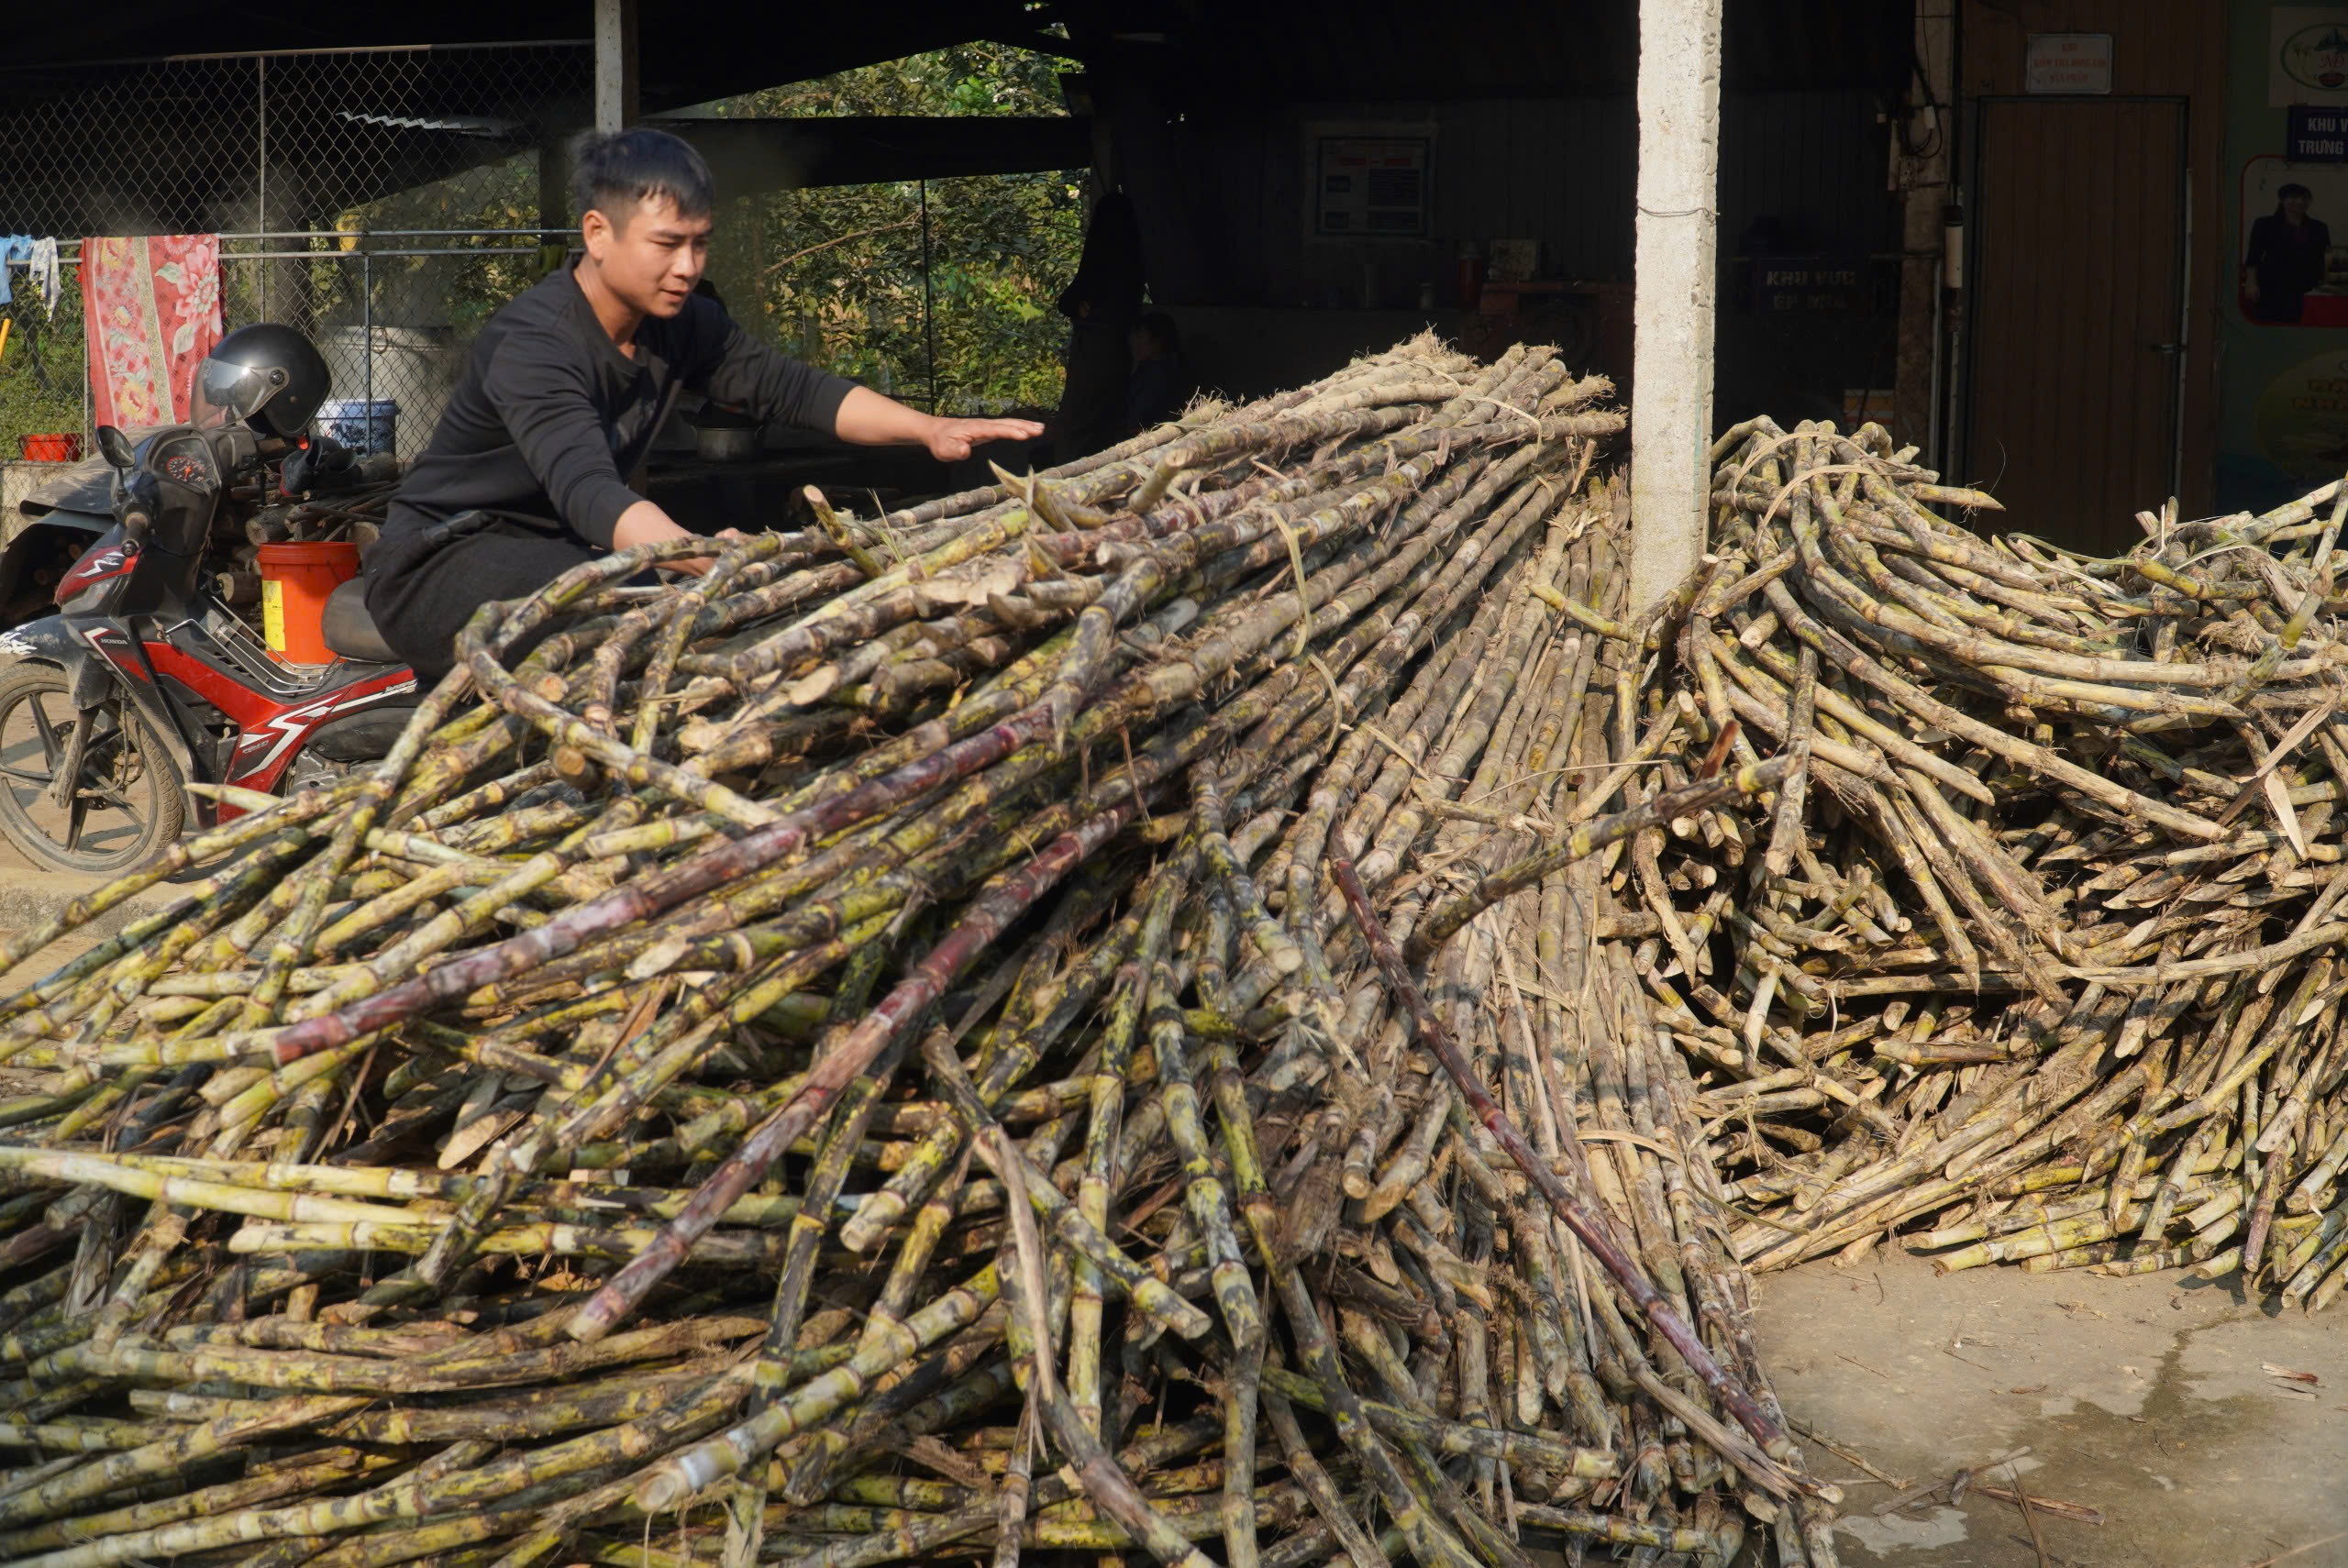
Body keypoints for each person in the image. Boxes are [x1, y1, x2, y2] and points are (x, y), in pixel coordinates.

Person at [366, 127, 1039, 684]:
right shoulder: (536, 341)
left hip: (552, 554)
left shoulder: (681, 323)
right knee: (624, 599)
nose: (688, 266)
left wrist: (929, 428)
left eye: (700, 242)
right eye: (667, 244)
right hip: (437, 565)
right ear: (598, 233)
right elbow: (590, 492)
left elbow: (794, 389)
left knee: (628, 591)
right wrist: (699, 555)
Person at [1050, 192, 1145, 462]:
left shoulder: (1102, 251)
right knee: (1108, 418)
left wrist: (1079, 305)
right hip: (1120, 346)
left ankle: (1066, 480)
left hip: (1095, 345)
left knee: (1076, 422)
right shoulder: (1134, 257)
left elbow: (1068, 301)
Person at [2244, 182, 2332, 325]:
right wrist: (2251, 283)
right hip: (2272, 287)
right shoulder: (2264, 224)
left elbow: (2325, 259)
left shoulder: (2319, 227)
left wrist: (2326, 285)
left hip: (2306, 288)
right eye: (2293, 197)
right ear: (2281, 200)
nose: (2300, 202)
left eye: (2304, 198)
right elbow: (2253, 257)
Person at [1124, 311, 1191, 435]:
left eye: (1140, 337)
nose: (1135, 342)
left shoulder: (1161, 374)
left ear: (1157, 341)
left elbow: (1140, 419)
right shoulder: (1147, 367)